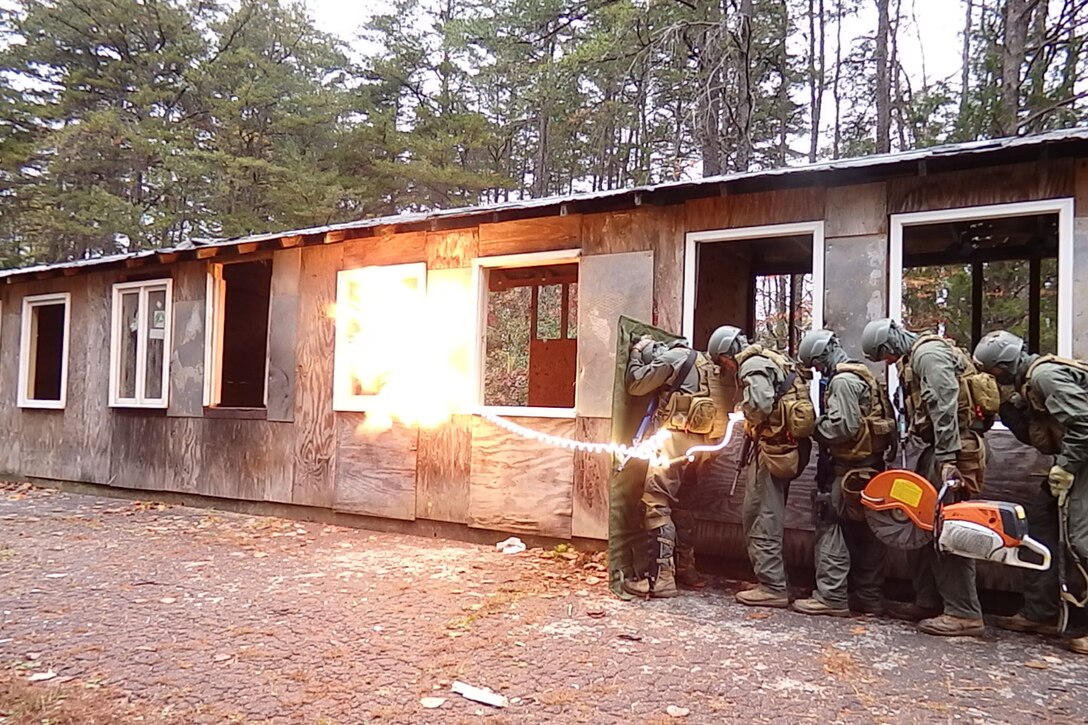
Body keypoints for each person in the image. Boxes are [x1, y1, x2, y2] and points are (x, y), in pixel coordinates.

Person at [861, 318, 994, 637]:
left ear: (891, 343)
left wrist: (948, 459)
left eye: (886, 356)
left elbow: (944, 402)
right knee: (923, 525)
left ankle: (963, 612)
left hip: (953, 451)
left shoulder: (928, 354)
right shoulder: (916, 356)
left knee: (950, 529)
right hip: (937, 449)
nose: (888, 363)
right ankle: (929, 600)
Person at [973, 330, 1088, 655]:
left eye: (991, 371)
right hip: (1075, 460)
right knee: (1041, 524)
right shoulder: (1029, 384)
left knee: (1082, 541)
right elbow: (1039, 434)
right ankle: (1042, 613)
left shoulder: (1045, 376)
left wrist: (1066, 466)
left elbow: (1083, 423)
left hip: (1082, 462)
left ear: (1001, 367)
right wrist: (1008, 411)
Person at [708, 325, 814, 609]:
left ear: (728, 353)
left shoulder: (751, 365)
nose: (727, 368)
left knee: (759, 512)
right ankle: (775, 581)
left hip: (773, 448)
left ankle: (772, 586)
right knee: (768, 511)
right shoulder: (771, 358)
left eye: (723, 362)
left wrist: (742, 412)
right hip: (787, 447)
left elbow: (759, 406)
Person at [792, 329, 896, 617]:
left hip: (848, 471)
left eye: (815, 364)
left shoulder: (843, 382)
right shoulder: (865, 376)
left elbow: (842, 428)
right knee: (867, 534)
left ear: (822, 356)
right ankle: (869, 598)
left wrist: (814, 427)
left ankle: (832, 596)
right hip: (871, 469)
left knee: (832, 526)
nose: (816, 370)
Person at [622, 334, 722, 598]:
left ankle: (660, 578)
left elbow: (636, 384)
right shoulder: (704, 360)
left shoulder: (671, 358)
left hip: (675, 440)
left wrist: (635, 354)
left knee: (655, 502)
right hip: (705, 443)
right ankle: (687, 569)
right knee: (684, 504)